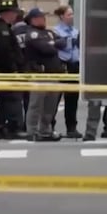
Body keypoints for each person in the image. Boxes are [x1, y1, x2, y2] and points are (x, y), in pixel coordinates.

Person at [24, 8, 65, 141]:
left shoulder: (48, 32)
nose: (44, 19)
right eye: (41, 17)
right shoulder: (32, 33)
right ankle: (32, 131)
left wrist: (52, 44)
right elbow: (45, 49)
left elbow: (62, 42)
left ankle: (45, 130)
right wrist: (53, 44)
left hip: (53, 74)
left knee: (50, 106)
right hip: (39, 75)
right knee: (36, 105)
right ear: (34, 19)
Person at [0, 0, 28, 140]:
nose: (16, 16)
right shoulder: (3, 30)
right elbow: (6, 53)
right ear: (8, 13)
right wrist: (14, 70)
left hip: (4, 71)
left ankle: (0, 127)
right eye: (14, 12)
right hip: (8, 72)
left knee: (5, 100)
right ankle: (13, 127)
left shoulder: (2, 27)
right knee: (13, 99)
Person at [51, 5, 81, 138]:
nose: (72, 17)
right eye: (69, 14)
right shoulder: (55, 31)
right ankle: (49, 126)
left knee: (72, 99)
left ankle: (71, 127)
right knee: (55, 98)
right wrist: (65, 42)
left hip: (75, 66)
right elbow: (56, 45)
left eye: (72, 14)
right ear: (62, 16)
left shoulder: (75, 31)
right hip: (62, 66)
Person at [12, 9, 30, 128]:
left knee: (16, 98)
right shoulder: (29, 30)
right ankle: (27, 123)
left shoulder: (12, 31)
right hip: (29, 67)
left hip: (17, 68)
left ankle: (17, 123)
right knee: (29, 98)